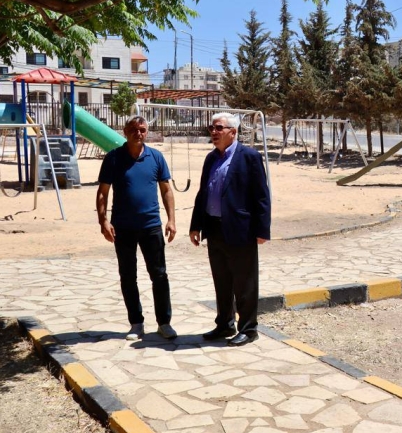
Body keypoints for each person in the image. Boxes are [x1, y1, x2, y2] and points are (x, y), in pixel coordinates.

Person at [190, 113, 271, 347]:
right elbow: (203, 193)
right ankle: (225, 324)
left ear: (233, 132)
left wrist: (262, 230)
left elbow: (261, 196)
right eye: (211, 128)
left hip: (240, 229)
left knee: (244, 282)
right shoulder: (210, 158)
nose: (213, 132)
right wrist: (196, 225)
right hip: (214, 228)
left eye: (219, 128)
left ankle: (248, 328)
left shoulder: (250, 157)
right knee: (222, 280)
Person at [96, 116, 177, 341]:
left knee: (159, 275)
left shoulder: (156, 157)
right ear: (125, 131)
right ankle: (136, 323)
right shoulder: (113, 158)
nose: (138, 133)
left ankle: (164, 323)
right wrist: (103, 221)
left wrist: (171, 220)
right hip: (122, 228)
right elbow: (103, 192)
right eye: (133, 129)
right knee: (128, 276)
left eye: (142, 129)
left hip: (151, 226)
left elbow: (166, 190)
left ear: (146, 132)